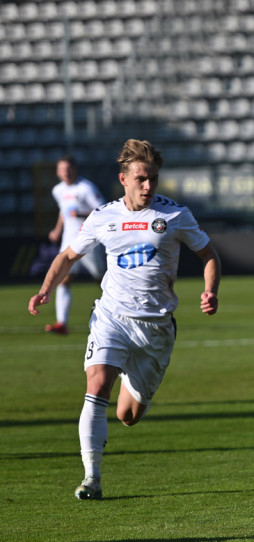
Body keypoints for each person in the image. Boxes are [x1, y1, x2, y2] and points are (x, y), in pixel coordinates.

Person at [28, 139, 222, 500]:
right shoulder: (103, 216)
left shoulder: (175, 215)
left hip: (155, 328)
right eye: (142, 179)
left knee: (127, 416)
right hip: (112, 316)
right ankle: (92, 478)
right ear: (124, 179)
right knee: (97, 384)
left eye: (153, 179)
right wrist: (45, 290)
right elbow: (68, 256)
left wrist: (211, 291)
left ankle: (130, 397)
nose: (148, 186)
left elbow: (209, 255)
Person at [45, 155, 107, 335]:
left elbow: (102, 210)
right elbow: (64, 212)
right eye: (62, 169)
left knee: (102, 279)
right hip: (69, 241)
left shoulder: (86, 188)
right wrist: (57, 230)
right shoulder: (58, 190)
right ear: (57, 172)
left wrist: (80, 214)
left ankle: (122, 311)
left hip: (88, 241)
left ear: (75, 169)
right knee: (63, 280)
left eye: (69, 168)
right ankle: (61, 323)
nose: (66, 172)